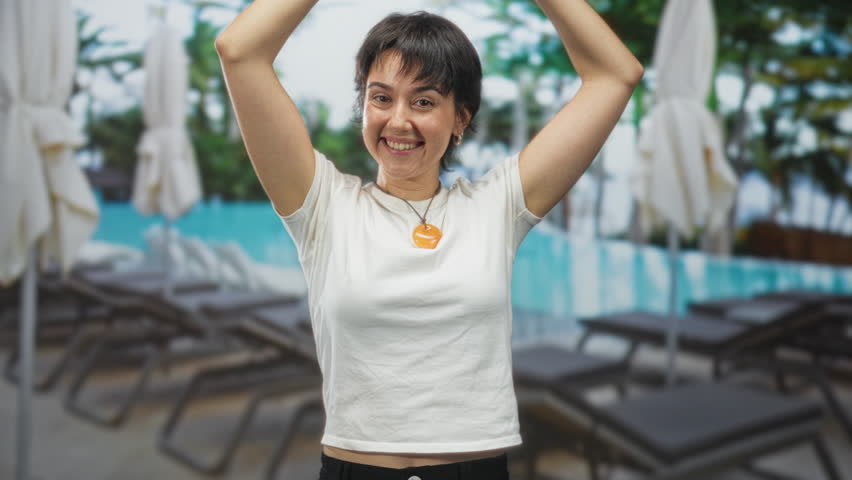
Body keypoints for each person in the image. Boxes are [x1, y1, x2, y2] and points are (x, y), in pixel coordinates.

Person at [215, 1, 642, 478]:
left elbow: (616, 75)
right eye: (381, 98)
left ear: (460, 119)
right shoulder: (322, 207)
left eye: (423, 102)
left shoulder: (496, 206)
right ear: (363, 107)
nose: (398, 121)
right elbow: (239, 51)